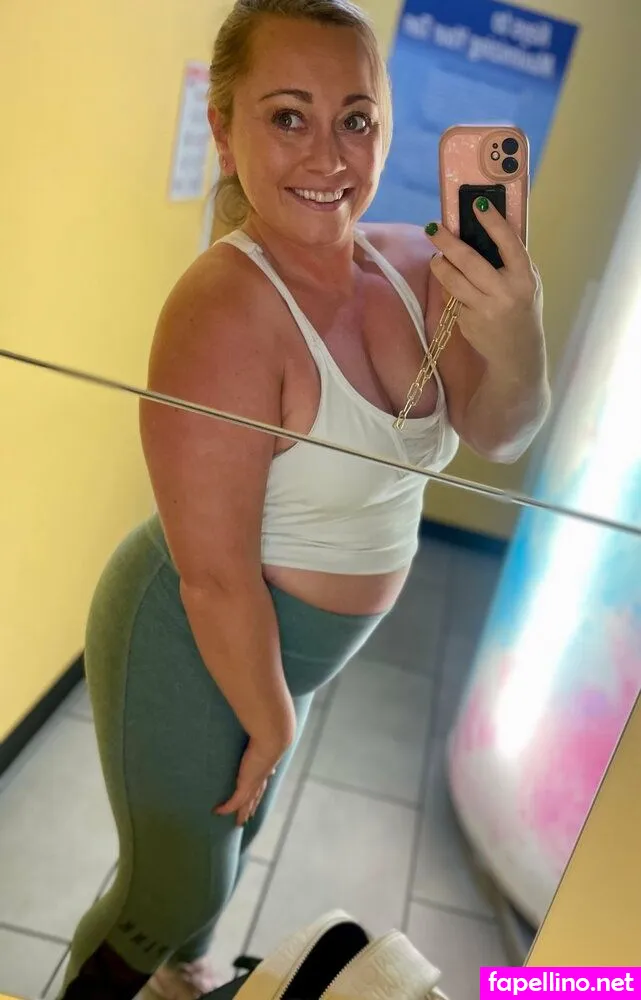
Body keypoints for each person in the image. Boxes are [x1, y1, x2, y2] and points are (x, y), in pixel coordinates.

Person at [59, 1, 550, 997]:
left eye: (355, 119)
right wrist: (273, 721)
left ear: (387, 126)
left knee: (220, 864)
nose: (328, 156)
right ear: (224, 128)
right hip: (190, 636)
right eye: (288, 116)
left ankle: (183, 975)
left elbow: (500, 431)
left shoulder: (416, 269)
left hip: (278, 657)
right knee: (172, 888)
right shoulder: (222, 308)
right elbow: (212, 578)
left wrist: (519, 327)